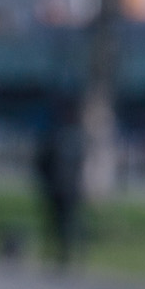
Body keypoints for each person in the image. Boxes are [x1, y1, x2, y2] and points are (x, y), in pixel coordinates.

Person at [33, 96, 86, 270]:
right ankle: (53, 255)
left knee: (67, 224)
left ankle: (65, 257)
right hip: (58, 188)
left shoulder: (74, 137)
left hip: (67, 189)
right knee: (55, 224)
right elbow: (41, 162)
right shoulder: (57, 136)